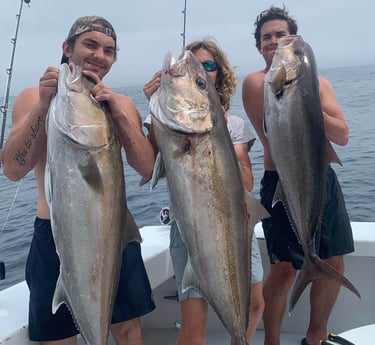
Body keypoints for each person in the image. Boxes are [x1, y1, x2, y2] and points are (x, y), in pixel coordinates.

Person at [1, 16, 156, 345]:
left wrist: (119, 115)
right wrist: (44, 104)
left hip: (114, 232)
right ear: (66, 48)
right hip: (56, 235)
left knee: (128, 330)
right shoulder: (34, 96)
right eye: (91, 44)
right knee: (58, 339)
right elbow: (13, 169)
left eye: (109, 50)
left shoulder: (122, 102)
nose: (100, 54)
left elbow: (147, 168)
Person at [241, 6, 354, 345]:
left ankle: (315, 336)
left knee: (333, 261)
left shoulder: (318, 84)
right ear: (259, 46)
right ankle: (272, 340)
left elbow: (342, 136)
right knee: (285, 268)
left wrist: (306, 96)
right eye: (266, 37)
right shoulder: (255, 82)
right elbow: (270, 132)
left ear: (296, 41)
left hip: (322, 181)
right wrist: (295, 92)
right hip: (282, 182)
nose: (274, 41)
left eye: (282, 35)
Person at [143, 38, 265, 345]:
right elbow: (149, 166)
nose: (201, 70)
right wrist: (152, 109)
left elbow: (247, 183)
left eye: (205, 68)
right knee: (194, 325)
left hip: (235, 226)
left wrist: (218, 137)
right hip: (191, 228)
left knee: (254, 303)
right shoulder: (160, 117)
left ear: (218, 75)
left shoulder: (234, 125)